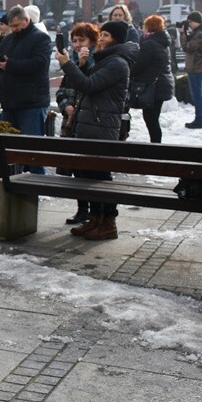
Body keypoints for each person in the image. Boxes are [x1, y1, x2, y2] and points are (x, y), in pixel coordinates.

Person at [54, 21, 137, 240]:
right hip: (91, 125)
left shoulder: (117, 63)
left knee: (101, 176)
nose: (101, 39)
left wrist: (67, 64)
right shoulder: (105, 59)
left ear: (116, 39)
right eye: (102, 34)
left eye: (106, 35)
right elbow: (87, 84)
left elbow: (88, 86)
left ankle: (108, 224)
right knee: (88, 174)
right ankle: (95, 219)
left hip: (102, 127)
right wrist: (80, 65)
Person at [55, 22, 99, 224]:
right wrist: (66, 106)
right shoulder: (70, 61)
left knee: (91, 168)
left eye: (82, 40)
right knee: (76, 167)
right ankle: (82, 209)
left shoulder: (97, 62)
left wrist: (81, 66)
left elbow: (89, 88)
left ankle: (96, 212)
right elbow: (62, 91)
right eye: (74, 40)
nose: (77, 44)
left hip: (89, 124)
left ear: (92, 41)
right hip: (71, 122)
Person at [0, 5, 52, 137]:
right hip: (10, 102)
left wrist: (10, 65)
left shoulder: (41, 38)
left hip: (32, 103)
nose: (14, 29)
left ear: (26, 20)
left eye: (16, 25)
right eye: (11, 26)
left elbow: (39, 64)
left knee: (30, 146)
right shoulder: (8, 39)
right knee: (8, 145)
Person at [131, 15, 175, 144]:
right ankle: (156, 144)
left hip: (154, 86)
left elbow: (139, 64)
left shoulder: (149, 43)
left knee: (151, 119)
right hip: (161, 84)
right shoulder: (162, 42)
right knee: (153, 118)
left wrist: (129, 73)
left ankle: (156, 146)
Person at [179, 11, 202, 129]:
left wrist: (182, 34)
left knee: (197, 94)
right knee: (198, 94)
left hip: (196, 67)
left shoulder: (200, 34)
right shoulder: (199, 33)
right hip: (196, 66)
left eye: (190, 22)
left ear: (197, 21)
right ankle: (200, 119)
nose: (189, 24)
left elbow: (187, 48)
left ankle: (200, 120)